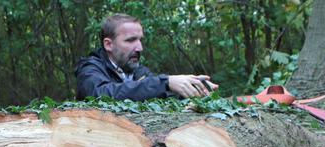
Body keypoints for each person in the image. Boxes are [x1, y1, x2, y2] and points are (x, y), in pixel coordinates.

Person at [75, 14, 218, 101]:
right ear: (108, 44)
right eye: (130, 40)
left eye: (140, 40)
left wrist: (191, 88)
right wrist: (165, 83)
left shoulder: (139, 72)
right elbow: (101, 94)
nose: (139, 48)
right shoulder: (90, 69)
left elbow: (154, 95)